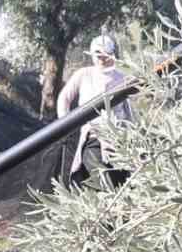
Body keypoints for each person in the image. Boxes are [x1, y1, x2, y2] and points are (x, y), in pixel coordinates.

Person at [57, 34, 135, 190]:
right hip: (93, 138)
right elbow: (64, 98)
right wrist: (65, 124)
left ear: (112, 53)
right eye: (98, 54)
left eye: (105, 54)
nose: (102, 58)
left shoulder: (123, 77)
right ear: (92, 54)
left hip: (120, 141)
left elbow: (129, 112)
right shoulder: (84, 74)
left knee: (122, 184)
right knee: (101, 179)